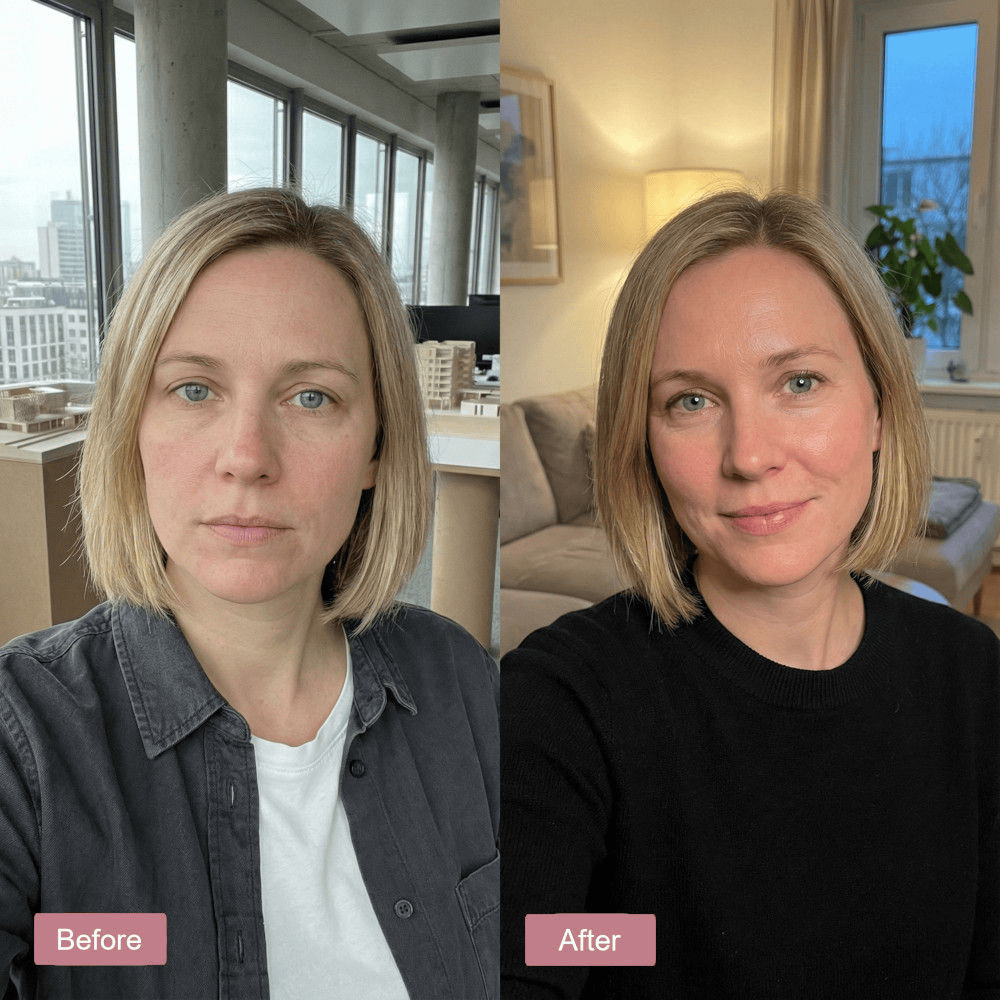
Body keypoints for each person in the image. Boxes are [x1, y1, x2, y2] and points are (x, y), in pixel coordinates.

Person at [0, 188, 499, 999]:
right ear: (133, 428)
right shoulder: (22, 742)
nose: (247, 457)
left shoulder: (461, 680)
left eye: (312, 397)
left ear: (376, 446)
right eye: (194, 389)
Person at [500, 191, 999, 998]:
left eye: (799, 381)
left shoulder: (970, 675)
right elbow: (537, 944)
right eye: (691, 401)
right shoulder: (562, 699)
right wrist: (646, 939)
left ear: (878, 407)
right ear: (643, 436)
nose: (750, 455)